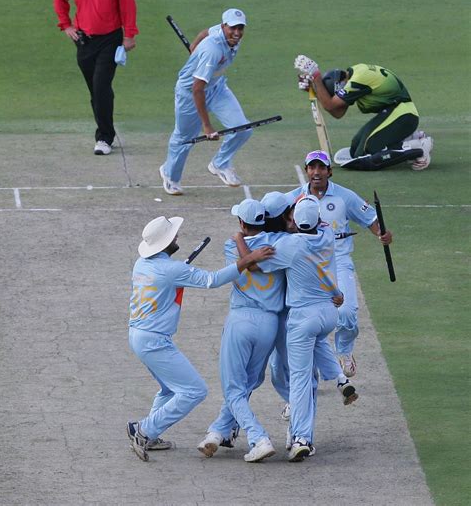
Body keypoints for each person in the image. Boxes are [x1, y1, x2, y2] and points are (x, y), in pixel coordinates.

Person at [126, 215, 274, 462]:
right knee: (194, 391)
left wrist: (180, 274)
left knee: (168, 389)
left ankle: (151, 435)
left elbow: (168, 280)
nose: (177, 237)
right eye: (173, 235)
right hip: (154, 341)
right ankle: (143, 430)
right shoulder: (173, 269)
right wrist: (248, 259)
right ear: (165, 242)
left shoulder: (142, 264)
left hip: (138, 337)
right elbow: (212, 280)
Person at [285, 149, 393, 378]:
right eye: (312, 167)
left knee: (346, 312)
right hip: (306, 264)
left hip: (338, 260)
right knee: (305, 317)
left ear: (329, 171)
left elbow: (372, 219)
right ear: (306, 171)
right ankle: (309, 368)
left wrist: (381, 234)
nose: (316, 172)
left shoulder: (345, 196)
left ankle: (344, 350)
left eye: (321, 167)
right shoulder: (294, 198)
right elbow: (278, 221)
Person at [252, 196, 344, 462]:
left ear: (294, 221)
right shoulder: (327, 234)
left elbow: (256, 265)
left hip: (302, 318)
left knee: (301, 380)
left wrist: (241, 244)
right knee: (316, 355)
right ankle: (340, 379)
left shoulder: (289, 245)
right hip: (328, 312)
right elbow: (319, 222)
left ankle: (301, 438)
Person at [197, 199, 286, 463]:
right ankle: (217, 432)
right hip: (269, 323)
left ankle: (258, 438)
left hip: (241, 319)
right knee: (247, 382)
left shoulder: (231, 244)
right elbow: (256, 263)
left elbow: (243, 265)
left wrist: (238, 239)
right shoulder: (279, 244)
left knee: (233, 388)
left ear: (241, 223)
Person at [54, 0, 138, 156]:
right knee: (96, 89)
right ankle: (106, 127)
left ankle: (104, 137)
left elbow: (128, 5)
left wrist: (129, 35)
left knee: (101, 86)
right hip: (83, 41)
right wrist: (67, 26)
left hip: (110, 40)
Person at [160, 8, 251, 195]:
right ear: (225, 26)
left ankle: (220, 164)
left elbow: (205, 32)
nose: (237, 32)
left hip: (217, 88)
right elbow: (197, 89)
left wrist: (194, 48)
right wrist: (207, 126)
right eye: (233, 28)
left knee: (242, 128)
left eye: (240, 28)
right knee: (184, 138)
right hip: (189, 94)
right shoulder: (212, 51)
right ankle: (170, 176)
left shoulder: (224, 34)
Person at [294, 55, 433, 171]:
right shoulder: (352, 75)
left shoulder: (358, 80)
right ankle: (409, 138)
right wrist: (314, 89)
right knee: (355, 149)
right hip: (393, 113)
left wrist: (316, 76)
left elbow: (330, 106)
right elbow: (338, 113)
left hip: (404, 115)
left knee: (368, 149)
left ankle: (418, 147)